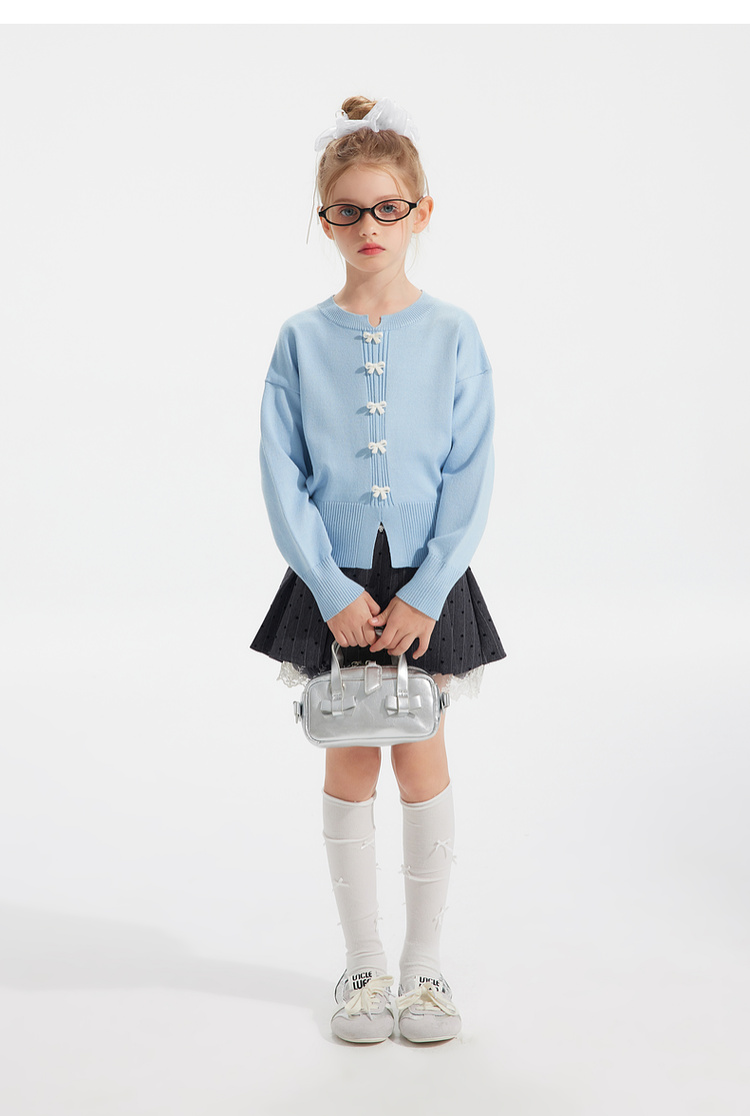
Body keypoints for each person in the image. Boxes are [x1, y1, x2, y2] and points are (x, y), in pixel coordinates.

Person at [251, 95, 506, 1043]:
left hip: (425, 585)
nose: (369, 226)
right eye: (348, 210)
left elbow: (472, 471)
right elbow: (282, 475)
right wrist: (329, 589)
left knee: (422, 755)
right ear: (324, 220)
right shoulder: (299, 338)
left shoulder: (455, 333)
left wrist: (430, 592)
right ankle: (361, 967)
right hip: (336, 585)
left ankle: (423, 968)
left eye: (387, 208)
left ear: (420, 211)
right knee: (352, 754)